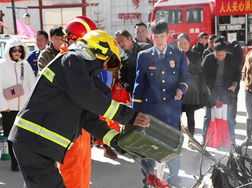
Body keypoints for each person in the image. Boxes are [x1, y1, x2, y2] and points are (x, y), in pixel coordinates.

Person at [8, 30, 151, 188]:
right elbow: (88, 97)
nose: (105, 67)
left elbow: (88, 119)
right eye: (109, 62)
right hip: (33, 141)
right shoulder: (72, 60)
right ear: (100, 50)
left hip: (37, 143)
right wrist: (129, 116)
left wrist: (117, 141)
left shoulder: (80, 75)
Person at [133, 21, 191, 188]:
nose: (159, 40)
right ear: (152, 37)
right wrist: (135, 113)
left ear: (168, 36)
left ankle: (173, 181)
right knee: (148, 149)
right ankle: (149, 181)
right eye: (156, 37)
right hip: (150, 111)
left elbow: (185, 77)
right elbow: (139, 85)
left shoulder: (177, 54)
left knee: (172, 147)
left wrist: (181, 89)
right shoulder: (144, 56)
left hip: (172, 111)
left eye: (162, 36)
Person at [59, 16, 97, 188]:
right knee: (73, 170)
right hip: (70, 127)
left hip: (81, 127)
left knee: (82, 168)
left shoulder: (76, 62)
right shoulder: (68, 62)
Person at [0, 38, 36, 171]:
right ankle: (14, 163)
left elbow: (32, 85)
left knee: (24, 137)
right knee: (11, 136)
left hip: (23, 108)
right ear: (9, 51)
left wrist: (32, 104)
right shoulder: (2, 65)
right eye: (14, 50)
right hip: (8, 109)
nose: (17, 53)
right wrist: (4, 106)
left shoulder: (25, 65)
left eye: (20, 50)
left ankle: (23, 161)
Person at [202, 41, 240, 145]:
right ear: (214, 52)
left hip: (227, 91)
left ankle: (232, 141)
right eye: (218, 55)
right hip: (212, 91)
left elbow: (237, 73)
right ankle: (205, 140)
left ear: (226, 52)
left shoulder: (231, 58)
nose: (220, 57)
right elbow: (202, 76)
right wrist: (206, 89)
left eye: (222, 55)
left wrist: (234, 84)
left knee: (229, 118)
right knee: (209, 117)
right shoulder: (208, 59)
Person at [177, 33, 202, 140]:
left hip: (190, 91)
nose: (182, 45)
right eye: (180, 43)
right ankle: (177, 138)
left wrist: (189, 64)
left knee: (190, 116)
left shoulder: (195, 55)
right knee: (176, 116)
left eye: (185, 43)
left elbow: (199, 71)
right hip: (177, 91)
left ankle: (191, 139)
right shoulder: (174, 55)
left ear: (189, 43)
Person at [117, 30, 151, 94]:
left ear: (129, 38)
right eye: (118, 43)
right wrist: (126, 86)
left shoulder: (146, 48)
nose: (121, 44)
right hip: (135, 93)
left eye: (122, 41)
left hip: (150, 91)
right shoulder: (122, 58)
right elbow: (122, 77)